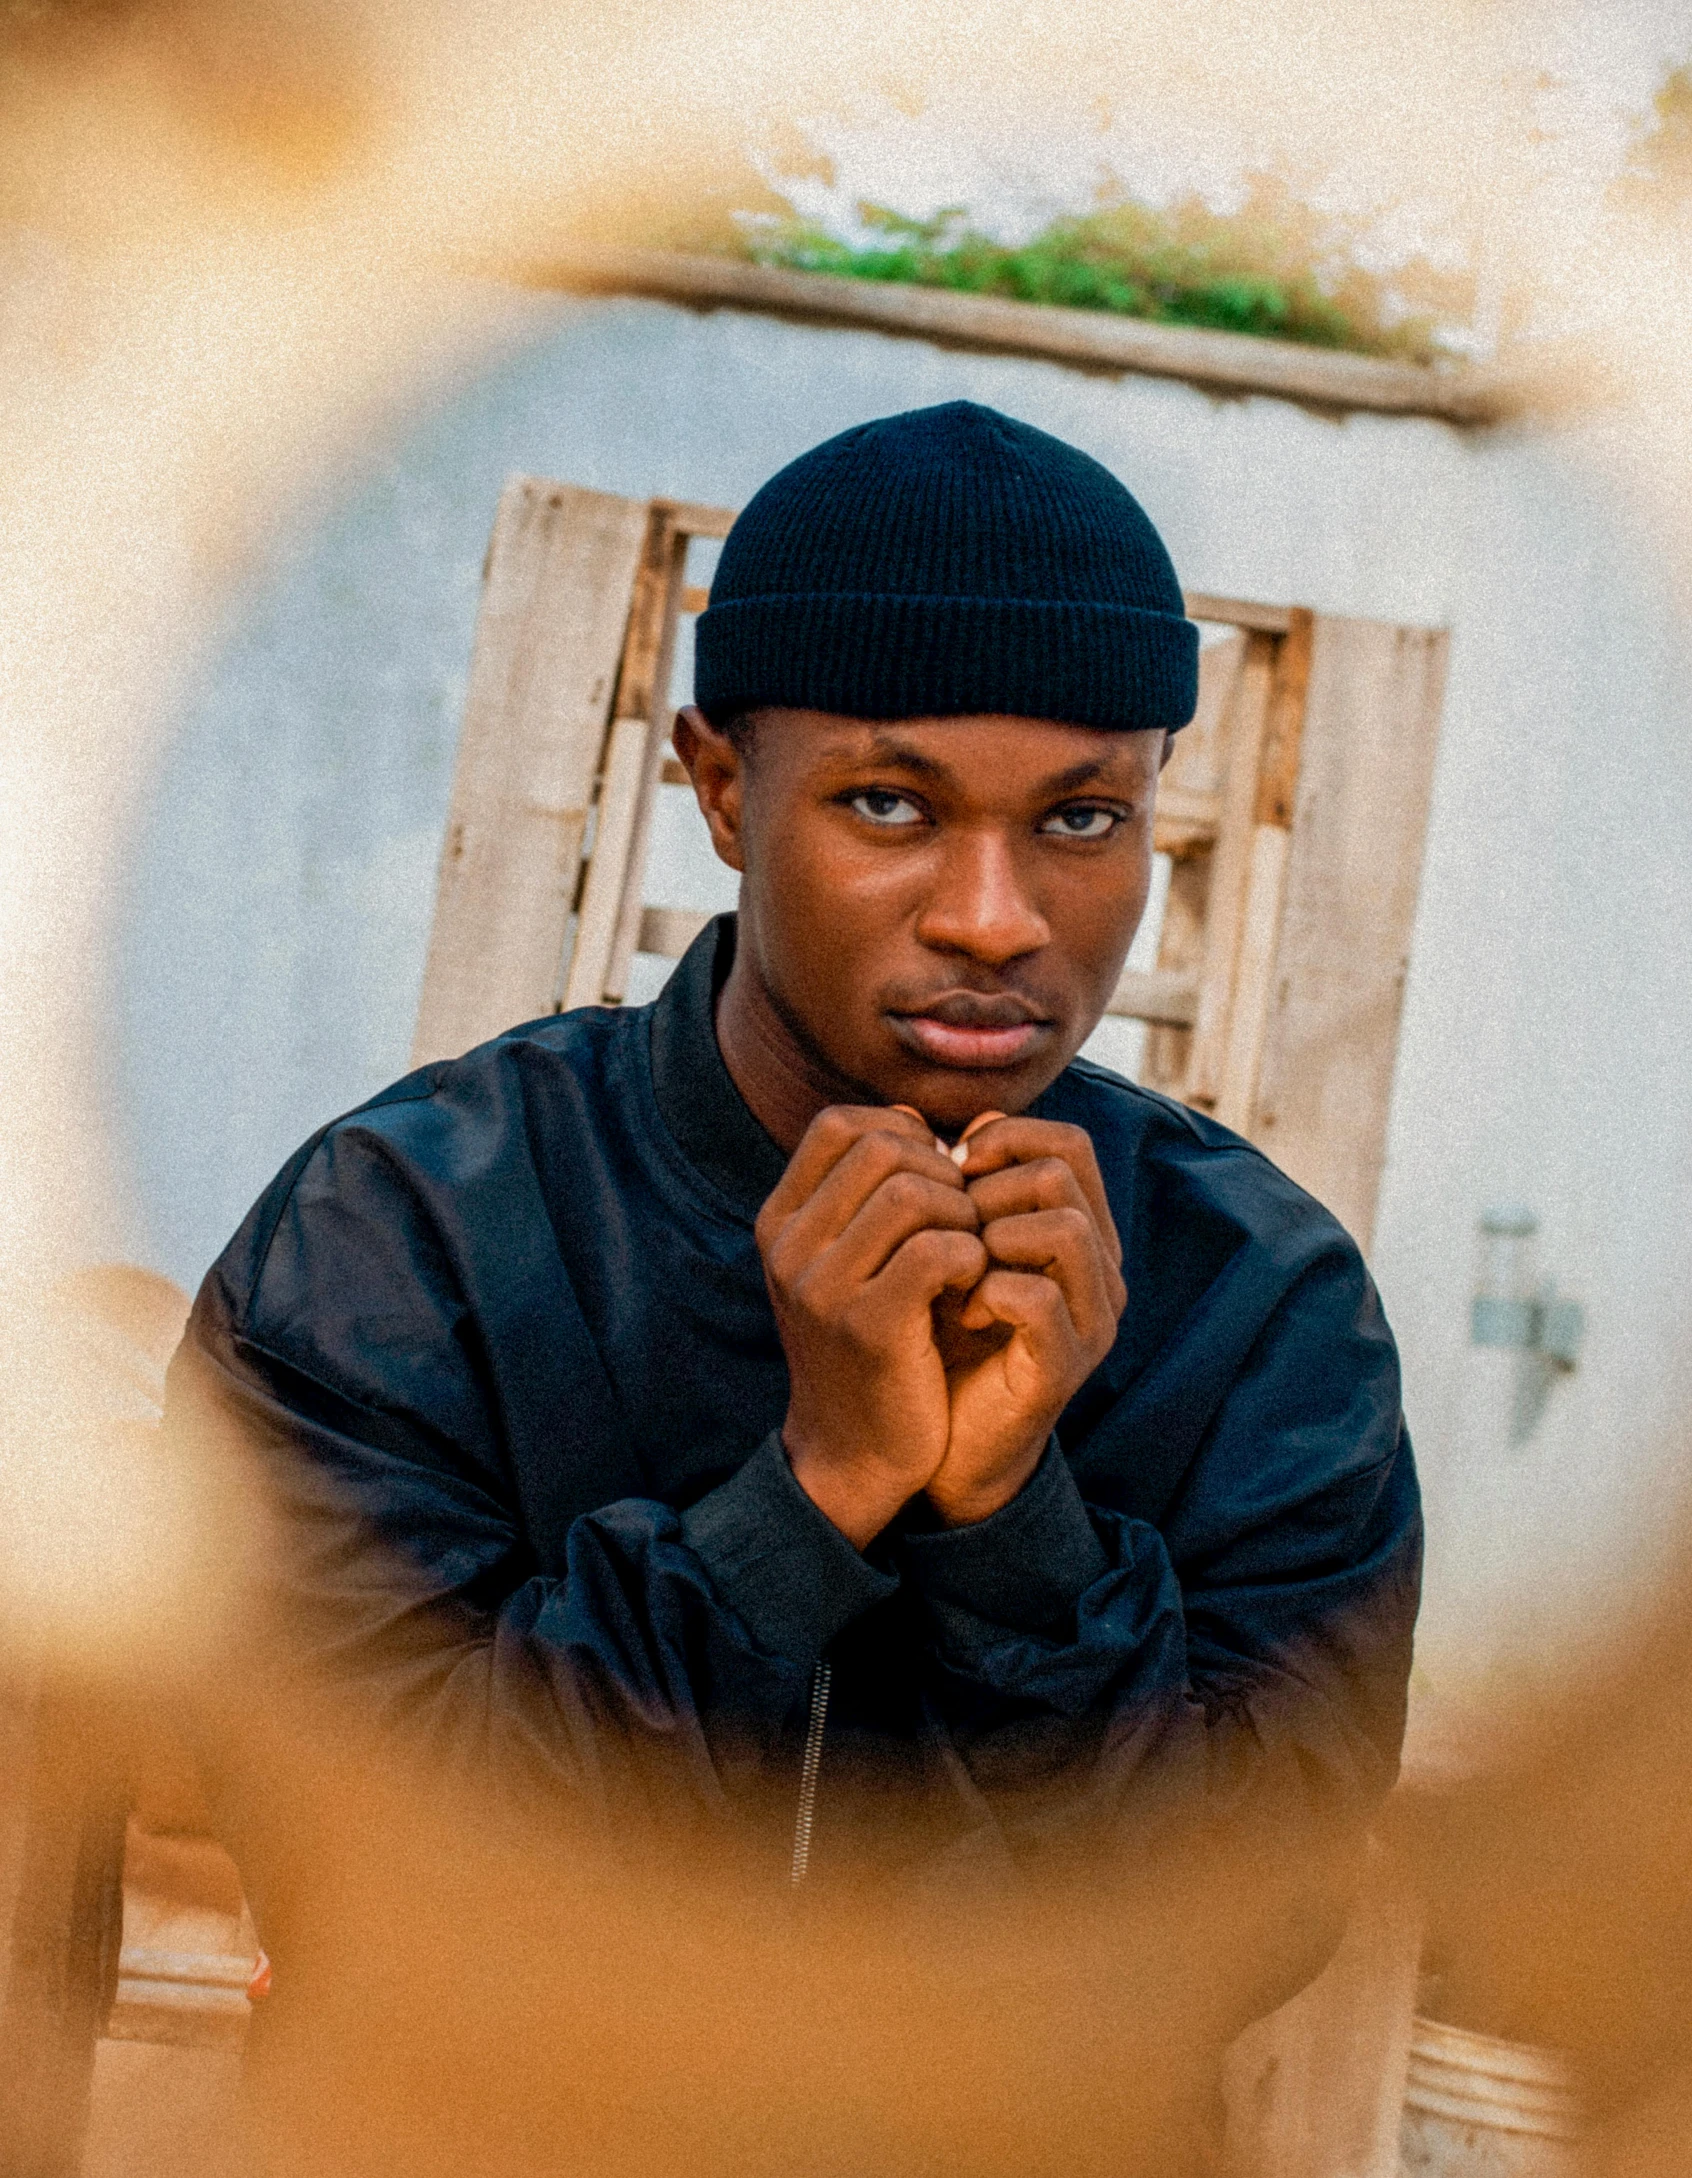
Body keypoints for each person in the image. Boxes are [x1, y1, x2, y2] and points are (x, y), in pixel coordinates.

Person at [170, 403, 1418, 2009]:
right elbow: (354, 1868)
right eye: (889, 804)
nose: (994, 918)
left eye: (1081, 817)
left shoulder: (1261, 1304)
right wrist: (806, 1498)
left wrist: (1020, 1531)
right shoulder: (407, 1234)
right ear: (717, 788)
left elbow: (1243, 1935)